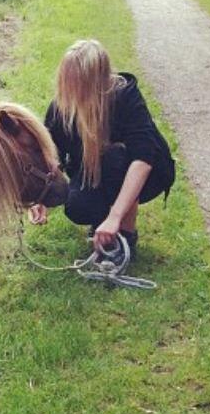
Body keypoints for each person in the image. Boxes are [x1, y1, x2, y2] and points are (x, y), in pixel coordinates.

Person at [29, 39, 175, 256]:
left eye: (76, 83)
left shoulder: (125, 97)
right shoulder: (62, 106)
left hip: (145, 174)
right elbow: (51, 152)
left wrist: (116, 217)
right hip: (93, 171)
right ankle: (101, 224)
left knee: (116, 157)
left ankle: (125, 235)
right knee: (77, 207)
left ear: (97, 82)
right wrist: (39, 196)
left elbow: (143, 160)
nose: (69, 91)